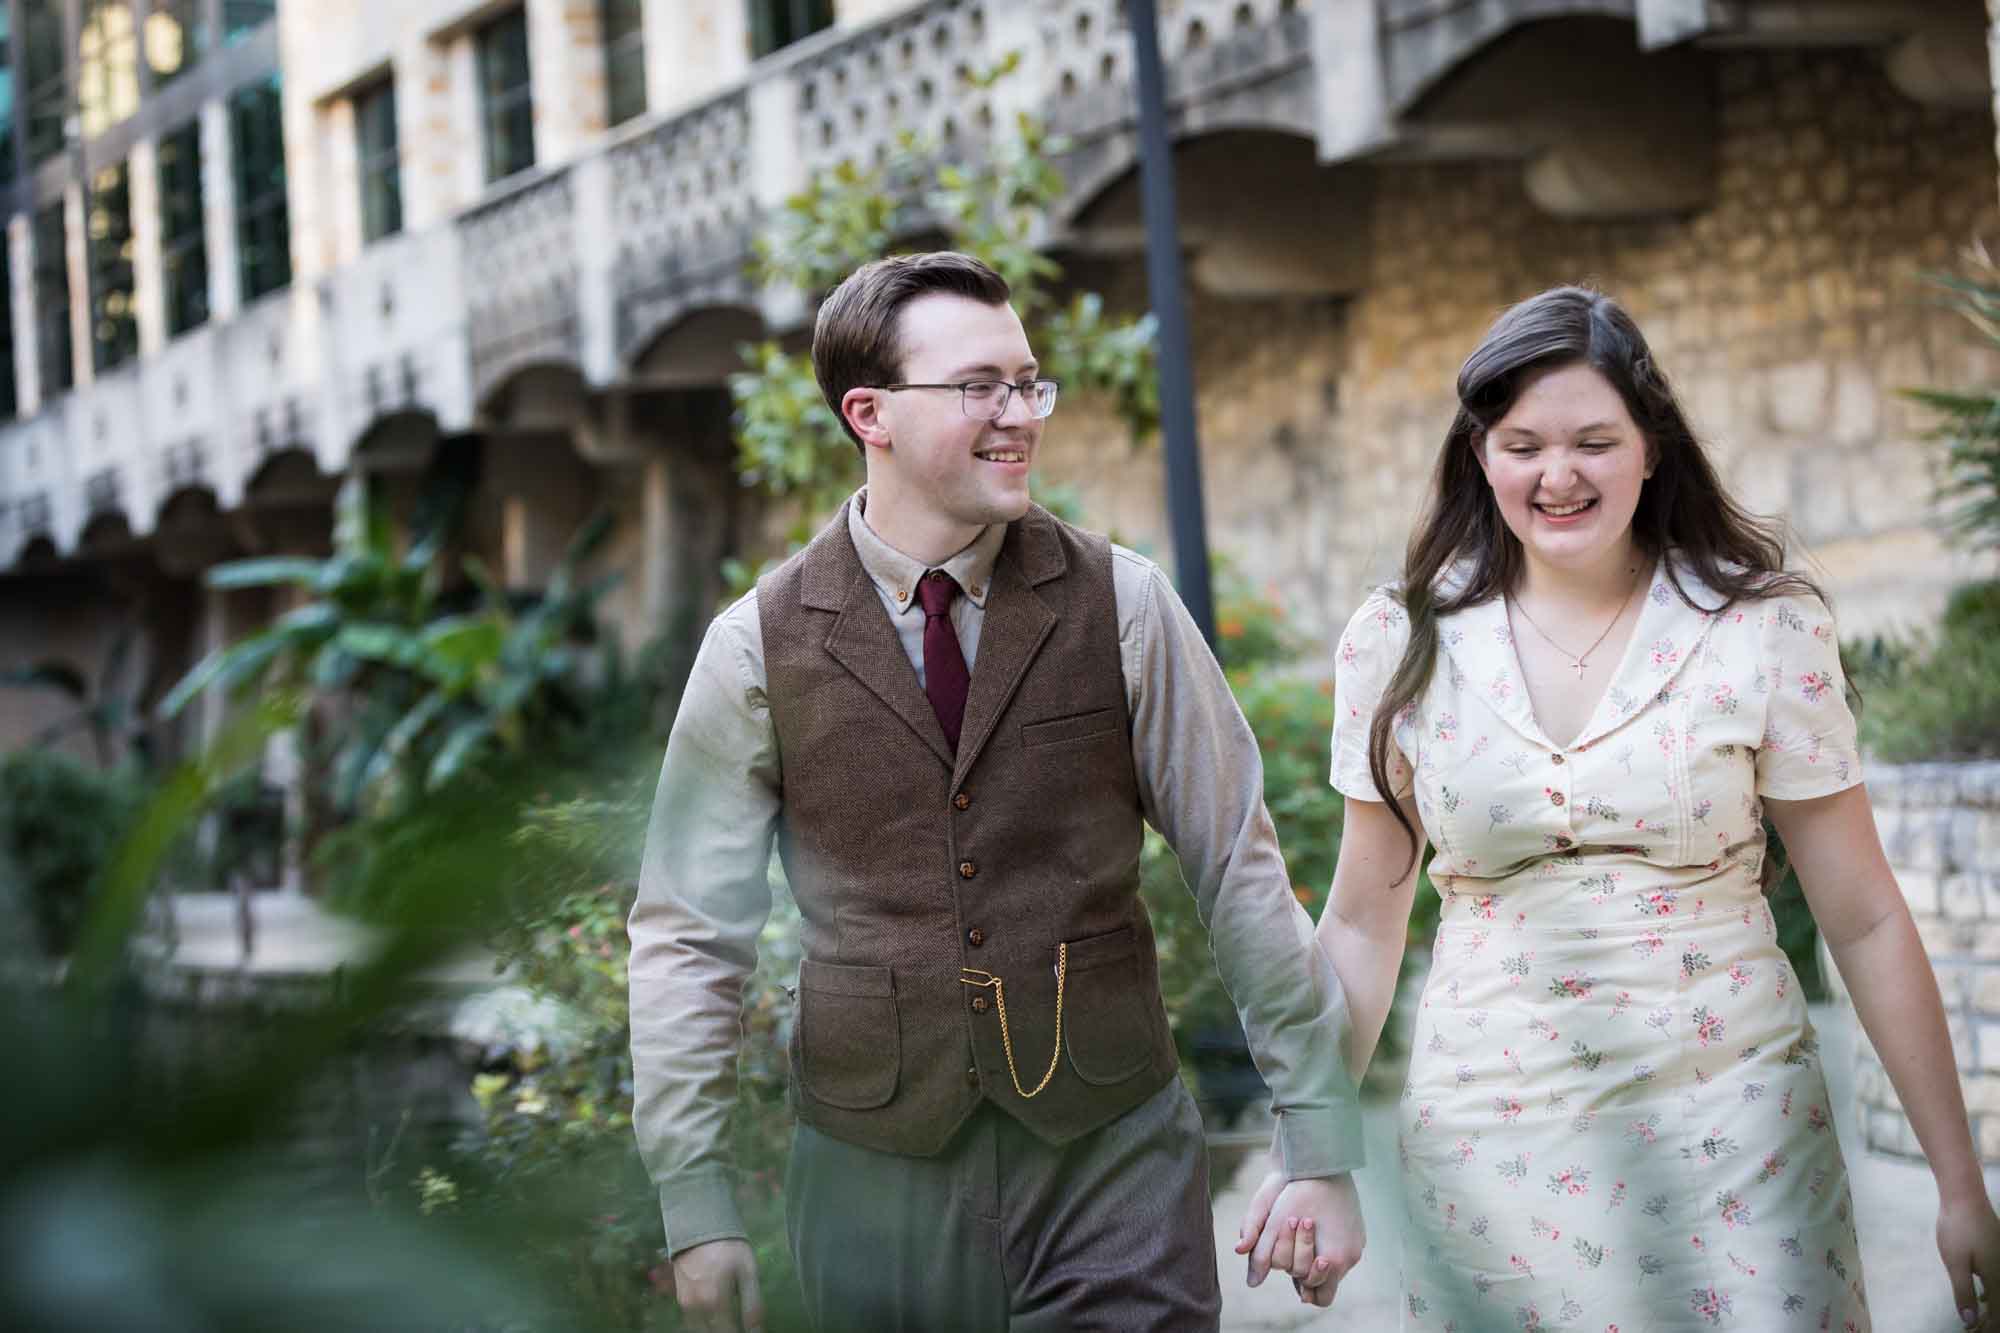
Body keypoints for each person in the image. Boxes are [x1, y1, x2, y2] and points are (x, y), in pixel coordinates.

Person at [629, 250, 1367, 1333]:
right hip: (871, 1176)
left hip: (1110, 1151)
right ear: (868, 412)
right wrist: (694, 1203)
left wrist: (1318, 1137)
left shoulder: (1122, 603)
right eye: (979, 386)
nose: (1019, 413)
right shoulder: (755, 646)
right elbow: (690, 932)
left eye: (1028, 382)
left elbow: (1236, 868)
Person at [1241, 286, 2000, 1328]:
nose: (1557, 475)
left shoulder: (1760, 631)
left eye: (1593, 441)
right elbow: (1365, 926)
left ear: (1650, 449)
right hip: (1489, 1151)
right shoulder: (1398, 641)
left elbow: (1862, 916)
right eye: (1522, 445)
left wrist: (1960, 1185)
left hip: (1741, 1132)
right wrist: (1311, 1156)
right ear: (1479, 455)